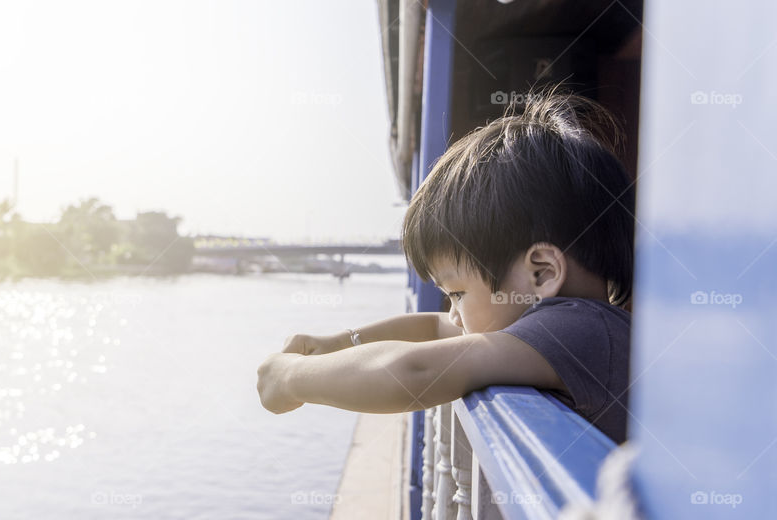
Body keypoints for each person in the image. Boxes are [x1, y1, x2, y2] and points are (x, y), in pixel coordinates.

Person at [256, 89, 635, 444]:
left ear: (542, 273)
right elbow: (433, 327)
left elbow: (413, 372)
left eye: (457, 293)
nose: (453, 314)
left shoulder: (579, 329)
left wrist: (289, 377)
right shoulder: (577, 324)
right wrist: (339, 342)